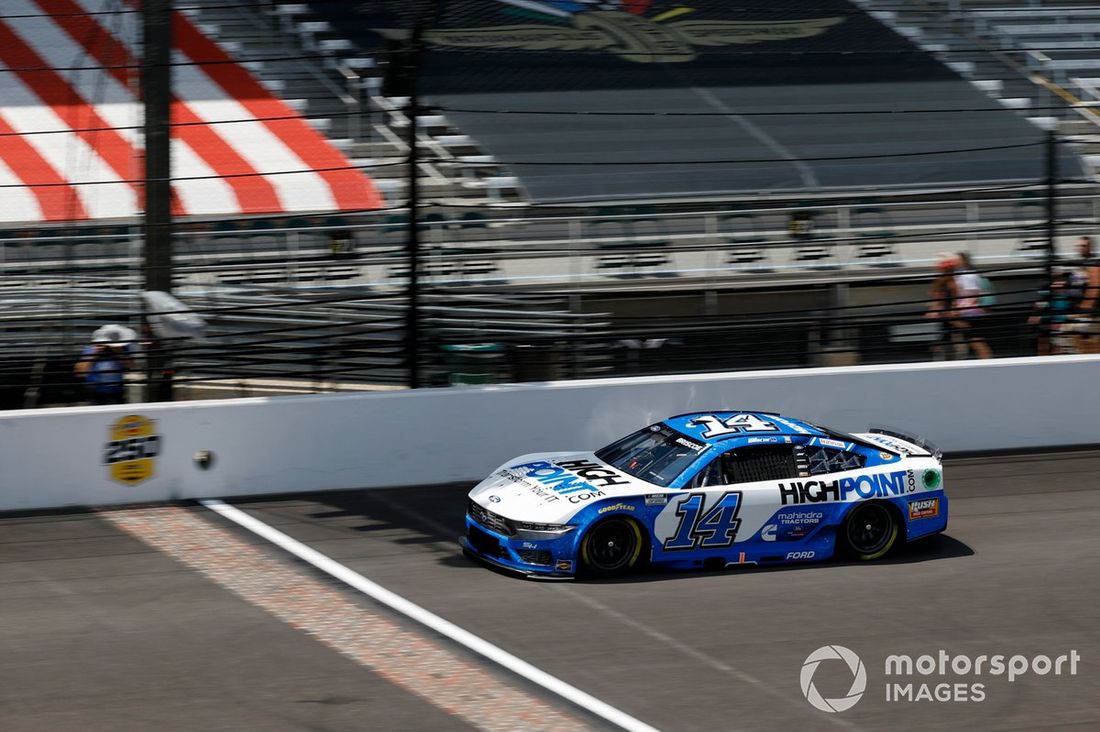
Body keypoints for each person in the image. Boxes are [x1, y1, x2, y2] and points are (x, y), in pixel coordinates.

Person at [74, 328, 135, 405]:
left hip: (117, 392)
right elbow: (80, 372)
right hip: (95, 392)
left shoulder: (122, 348)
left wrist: (119, 351)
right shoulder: (92, 348)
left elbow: (131, 365)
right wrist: (95, 353)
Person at [1073, 236, 1100, 354]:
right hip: (1084, 313)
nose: (1080, 248)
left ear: (1090, 247)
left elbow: (1095, 286)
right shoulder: (1081, 266)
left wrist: (1084, 309)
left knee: (1075, 335)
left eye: (1083, 246)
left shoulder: (1093, 263)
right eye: (1079, 246)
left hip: (1092, 315)